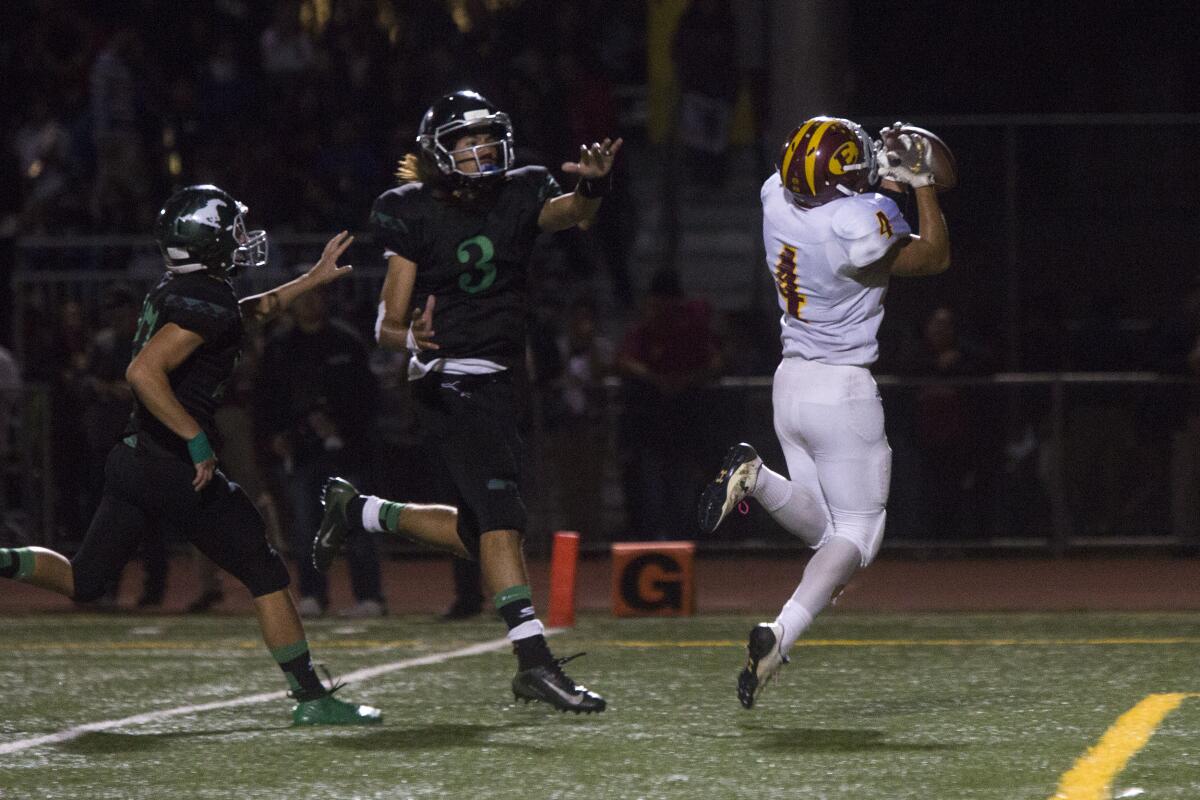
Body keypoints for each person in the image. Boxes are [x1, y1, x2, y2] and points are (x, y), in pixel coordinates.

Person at [0, 184, 380, 726]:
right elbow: (142, 373)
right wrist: (195, 439)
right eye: (233, 230)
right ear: (209, 242)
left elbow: (243, 314)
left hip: (135, 458)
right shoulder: (207, 301)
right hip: (176, 468)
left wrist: (308, 281)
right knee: (266, 571)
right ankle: (312, 698)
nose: (243, 238)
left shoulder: (185, 292)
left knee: (85, 579)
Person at [313, 90, 620, 713]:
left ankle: (361, 512)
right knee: (503, 518)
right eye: (465, 142)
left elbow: (570, 214)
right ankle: (533, 663)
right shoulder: (411, 210)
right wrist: (413, 339)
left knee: (486, 528)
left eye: (486, 139)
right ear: (438, 152)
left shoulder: (521, 191)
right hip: (449, 378)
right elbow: (386, 326)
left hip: (503, 379)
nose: (481, 151)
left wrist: (590, 188)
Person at [697, 117, 951, 709]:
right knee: (859, 537)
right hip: (842, 391)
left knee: (825, 538)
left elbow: (831, 195)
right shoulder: (854, 225)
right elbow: (932, 256)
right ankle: (781, 633)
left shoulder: (775, 198)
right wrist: (921, 184)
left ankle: (755, 477)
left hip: (790, 384)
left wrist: (877, 182)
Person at [256, 275, 386, 618]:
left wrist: (342, 426)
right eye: (302, 296)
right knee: (305, 528)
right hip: (302, 452)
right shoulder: (280, 345)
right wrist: (276, 437)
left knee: (356, 524)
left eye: (315, 295)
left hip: (348, 450)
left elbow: (368, 397)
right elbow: (266, 399)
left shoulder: (347, 342)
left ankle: (369, 596)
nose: (309, 302)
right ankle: (313, 594)